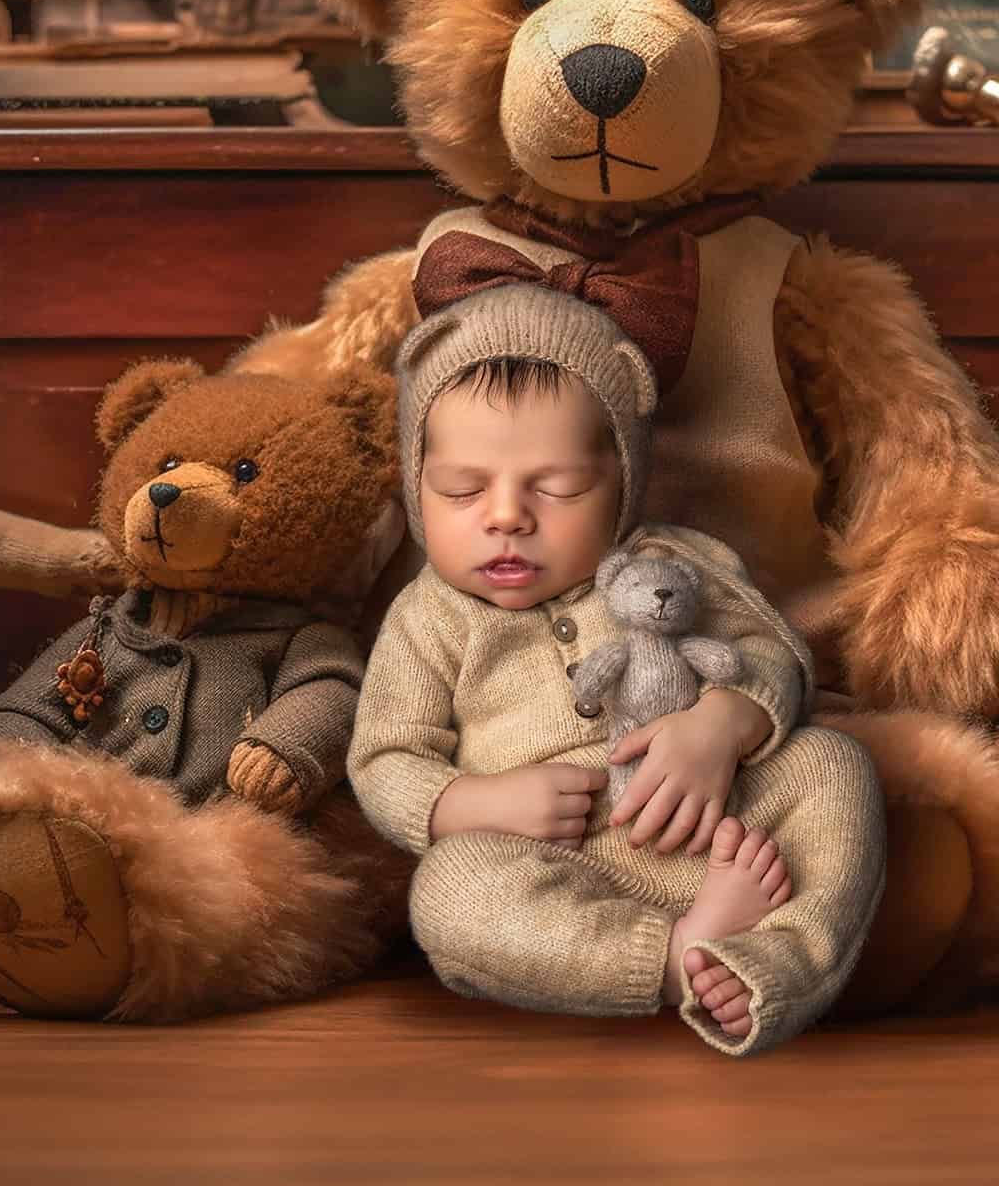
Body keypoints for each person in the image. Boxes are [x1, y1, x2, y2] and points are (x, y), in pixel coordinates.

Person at [348, 284, 885, 1056]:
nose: (506, 515)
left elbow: (773, 653)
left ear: (622, 479)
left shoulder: (670, 563)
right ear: (415, 482)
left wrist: (722, 725)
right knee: (447, 892)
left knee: (834, 766)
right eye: (461, 490)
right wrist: (470, 803)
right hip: (545, 866)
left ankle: (777, 964)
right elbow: (384, 756)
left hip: (720, 829)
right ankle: (674, 962)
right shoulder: (427, 618)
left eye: (558, 486)